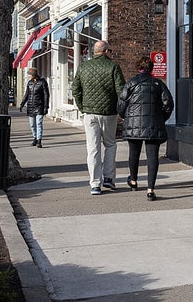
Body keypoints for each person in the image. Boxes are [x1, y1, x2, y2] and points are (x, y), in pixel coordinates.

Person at [71, 39, 125, 195]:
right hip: (109, 113)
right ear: (106, 51)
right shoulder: (113, 67)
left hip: (90, 114)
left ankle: (95, 184)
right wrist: (119, 110)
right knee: (110, 144)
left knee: (93, 148)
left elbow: (76, 90)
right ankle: (108, 178)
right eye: (111, 51)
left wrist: (83, 108)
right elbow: (121, 91)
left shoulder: (83, 67)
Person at [117, 57, 174, 201]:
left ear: (138, 68)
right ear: (151, 68)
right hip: (153, 125)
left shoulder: (131, 83)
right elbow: (168, 104)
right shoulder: (158, 84)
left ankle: (134, 181)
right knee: (152, 157)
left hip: (134, 125)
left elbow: (121, 104)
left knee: (133, 154)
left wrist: (126, 117)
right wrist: (161, 118)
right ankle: (150, 189)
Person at [19, 66, 50, 147]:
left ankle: (39, 140)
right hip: (30, 106)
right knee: (32, 124)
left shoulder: (42, 82)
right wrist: (22, 103)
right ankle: (35, 137)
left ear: (33, 75)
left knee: (39, 123)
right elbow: (27, 94)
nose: (29, 76)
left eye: (30, 74)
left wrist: (46, 107)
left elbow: (46, 95)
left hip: (39, 105)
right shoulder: (29, 83)